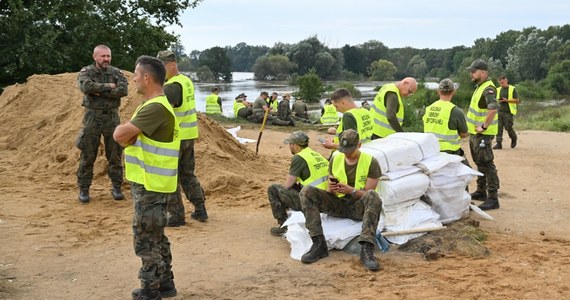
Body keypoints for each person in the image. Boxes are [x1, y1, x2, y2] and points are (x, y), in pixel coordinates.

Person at [113, 55, 179, 300]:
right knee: (157, 235)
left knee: (145, 237)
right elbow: (130, 134)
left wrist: (127, 132)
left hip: (151, 184)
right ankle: (166, 283)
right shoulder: (154, 105)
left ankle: (150, 290)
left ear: (147, 78)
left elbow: (120, 135)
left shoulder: (155, 107)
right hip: (154, 182)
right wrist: (131, 133)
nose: (134, 79)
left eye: (136, 75)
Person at [299, 129, 383, 271]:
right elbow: (328, 192)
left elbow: (368, 193)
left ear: (359, 146)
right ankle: (318, 243)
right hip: (339, 203)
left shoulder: (371, 162)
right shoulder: (336, 158)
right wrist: (332, 187)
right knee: (307, 191)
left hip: (358, 206)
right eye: (344, 150)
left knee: (374, 196)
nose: (347, 154)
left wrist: (351, 191)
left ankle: (367, 249)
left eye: (350, 150)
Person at [158, 50, 208, 226]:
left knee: (170, 176)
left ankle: (177, 216)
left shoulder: (171, 86)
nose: (161, 71)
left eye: (163, 66)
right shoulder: (186, 81)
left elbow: (164, 111)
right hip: (188, 136)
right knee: (188, 174)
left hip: (175, 137)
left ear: (172, 64)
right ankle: (200, 209)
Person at [76, 44, 128, 203]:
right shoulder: (86, 72)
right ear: (95, 57)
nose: (106, 59)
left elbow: (123, 90)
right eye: (103, 56)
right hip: (92, 117)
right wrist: (109, 87)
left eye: (108, 56)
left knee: (115, 154)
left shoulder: (116, 72)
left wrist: (98, 91)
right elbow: (86, 86)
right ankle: (84, 189)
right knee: (88, 154)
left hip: (112, 118)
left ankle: (117, 187)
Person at [267, 131, 329, 236]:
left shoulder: (299, 157)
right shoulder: (315, 154)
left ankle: (283, 225)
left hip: (313, 201)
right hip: (326, 197)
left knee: (273, 189)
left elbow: (288, 185)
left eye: (290, 144)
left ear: (295, 145)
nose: (289, 147)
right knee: (297, 186)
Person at [465, 59, 501, 211]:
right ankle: (481, 191)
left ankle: (493, 198)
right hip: (475, 133)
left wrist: (484, 126)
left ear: (483, 72)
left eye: (474, 71)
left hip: (483, 134)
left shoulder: (488, 89)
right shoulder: (479, 87)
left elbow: (493, 108)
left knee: (487, 164)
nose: (471, 74)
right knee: (479, 162)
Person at [423, 79, 470, 165]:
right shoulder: (456, 111)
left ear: (438, 91)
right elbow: (464, 133)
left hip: (431, 150)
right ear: (454, 92)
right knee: (467, 170)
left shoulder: (428, 108)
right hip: (450, 152)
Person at [494, 75, 520, 149]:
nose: (501, 84)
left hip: (508, 112)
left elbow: (517, 100)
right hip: (499, 111)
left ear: (506, 80)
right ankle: (499, 143)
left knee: (508, 127)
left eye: (503, 83)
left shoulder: (512, 89)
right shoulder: (498, 89)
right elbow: (495, 99)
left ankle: (513, 138)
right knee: (498, 128)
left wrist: (507, 100)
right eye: (500, 83)